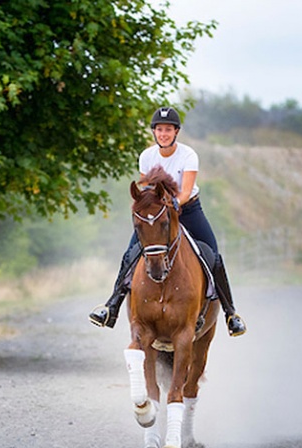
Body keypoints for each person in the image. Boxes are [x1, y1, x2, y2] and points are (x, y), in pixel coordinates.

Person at [88, 106, 247, 337]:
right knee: (130, 254)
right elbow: (147, 190)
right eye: (160, 129)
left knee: (212, 254)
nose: (164, 134)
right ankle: (111, 306)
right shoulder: (147, 156)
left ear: (176, 132)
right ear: (154, 132)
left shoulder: (188, 155)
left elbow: (185, 191)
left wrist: (173, 205)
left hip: (187, 209)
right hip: (158, 215)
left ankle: (231, 315)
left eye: (168, 130)